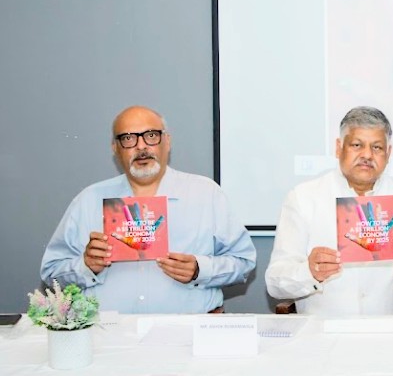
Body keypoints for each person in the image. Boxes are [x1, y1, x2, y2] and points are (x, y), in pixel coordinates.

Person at [40, 106, 257, 314]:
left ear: (167, 141)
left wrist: (200, 269)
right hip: (109, 333)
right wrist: (86, 266)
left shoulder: (206, 194)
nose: (141, 147)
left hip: (188, 331)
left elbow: (243, 262)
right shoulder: (89, 200)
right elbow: (52, 272)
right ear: (115, 148)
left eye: (151, 136)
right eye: (128, 138)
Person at [265, 106, 393, 315]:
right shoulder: (303, 197)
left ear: (388, 153)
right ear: (338, 148)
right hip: (320, 330)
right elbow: (275, 283)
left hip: (388, 329)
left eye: (377, 147)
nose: (367, 155)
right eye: (357, 145)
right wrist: (309, 272)